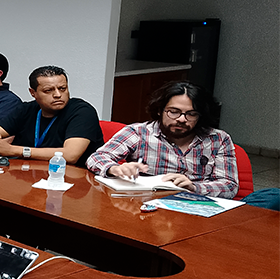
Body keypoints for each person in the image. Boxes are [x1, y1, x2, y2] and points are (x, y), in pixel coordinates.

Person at [86, 81, 239, 198]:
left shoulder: (218, 139)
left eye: (191, 114)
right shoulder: (139, 133)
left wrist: (194, 187)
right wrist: (115, 169)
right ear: (160, 110)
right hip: (147, 206)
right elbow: (97, 157)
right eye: (173, 112)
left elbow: (230, 186)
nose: (181, 119)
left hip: (196, 207)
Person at [0, 66, 104, 167]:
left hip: (72, 179)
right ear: (33, 93)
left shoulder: (82, 111)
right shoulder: (26, 109)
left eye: (62, 88)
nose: (58, 95)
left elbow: (70, 155)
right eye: (49, 90)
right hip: (30, 173)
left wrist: (12, 150)